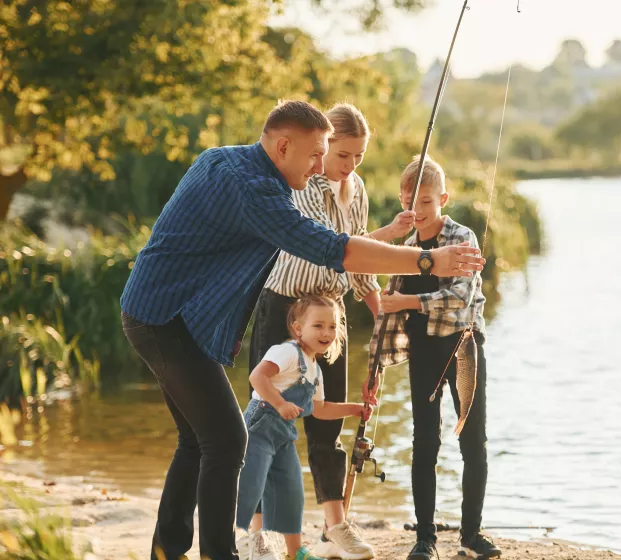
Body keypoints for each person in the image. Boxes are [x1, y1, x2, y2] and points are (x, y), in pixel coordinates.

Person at [120, 100, 485, 560]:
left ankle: (167, 550)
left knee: (198, 438)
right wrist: (428, 260)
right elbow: (334, 249)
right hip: (164, 318)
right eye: (317, 154)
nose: (321, 166)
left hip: (174, 313)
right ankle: (218, 553)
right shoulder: (255, 191)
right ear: (283, 146)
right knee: (228, 439)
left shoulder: (225, 158)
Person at [247, 103, 412, 560]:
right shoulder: (303, 184)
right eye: (343, 155)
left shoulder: (355, 187)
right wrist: (385, 240)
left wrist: (378, 309)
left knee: (328, 424)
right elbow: (326, 246)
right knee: (267, 424)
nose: (349, 166)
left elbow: (358, 262)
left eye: (359, 157)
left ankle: (336, 526)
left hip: (330, 312)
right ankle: (257, 534)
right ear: (324, 147)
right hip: (284, 307)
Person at [365, 156, 502, 559]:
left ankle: (471, 534)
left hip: (463, 347)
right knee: (424, 441)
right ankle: (425, 538)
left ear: (442, 198)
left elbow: (459, 299)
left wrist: (405, 300)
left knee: (473, 441)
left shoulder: (463, 238)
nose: (417, 210)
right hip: (422, 349)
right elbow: (367, 278)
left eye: (425, 201)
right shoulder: (403, 248)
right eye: (409, 201)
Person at [237, 295, 374, 560]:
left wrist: (355, 408)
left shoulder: (314, 370)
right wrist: (279, 404)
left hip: (282, 434)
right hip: (259, 427)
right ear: (299, 328)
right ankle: (253, 543)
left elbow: (320, 409)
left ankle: (295, 552)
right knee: (259, 483)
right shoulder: (287, 352)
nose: (327, 332)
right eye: (318, 325)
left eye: (333, 327)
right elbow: (257, 376)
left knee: (291, 491)